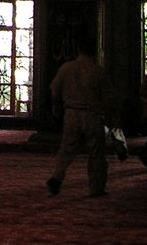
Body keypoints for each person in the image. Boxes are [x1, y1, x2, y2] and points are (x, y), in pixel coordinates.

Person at [46, 34, 112, 197]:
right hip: (92, 116)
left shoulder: (66, 68)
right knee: (96, 153)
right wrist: (111, 118)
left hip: (72, 114)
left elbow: (54, 90)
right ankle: (96, 188)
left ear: (78, 50)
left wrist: (56, 106)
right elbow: (107, 99)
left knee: (66, 149)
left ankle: (57, 177)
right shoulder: (98, 71)